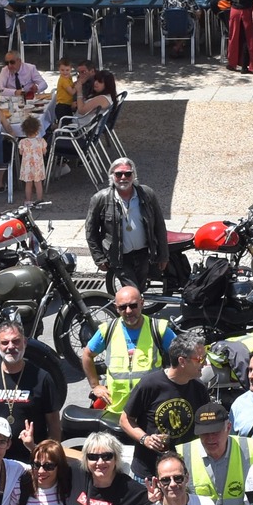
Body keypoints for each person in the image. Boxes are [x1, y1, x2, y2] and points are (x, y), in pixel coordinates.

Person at [118, 333, 209, 479]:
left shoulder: (199, 388)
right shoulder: (150, 385)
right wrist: (145, 439)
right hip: (149, 473)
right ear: (182, 361)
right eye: (200, 359)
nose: (205, 364)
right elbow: (125, 420)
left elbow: (205, 425)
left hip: (183, 473)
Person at [0, 323, 62, 464]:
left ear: (24, 342)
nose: (11, 346)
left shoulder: (42, 377)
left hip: (32, 460)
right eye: (5, 342)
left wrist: (50, 458)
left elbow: (54, 424)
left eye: (16, 341)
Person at [82, 285, 177, 419]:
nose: (128, 311)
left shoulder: (158, 329)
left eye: (133, 306)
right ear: (116, 308)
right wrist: (95, 386)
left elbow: (182, 356)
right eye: (122, 307)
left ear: (142, 303)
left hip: (150, 411)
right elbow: (87, 355)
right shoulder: (107, 330)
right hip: (117, 411)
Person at [180, 402, 253, 505]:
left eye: (215, 432)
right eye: (204, 433)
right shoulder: (182, 453)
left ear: (228, 428)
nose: (210, 438)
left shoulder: (251, 448)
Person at [84, 157, 170, 290]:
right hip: (118, 257)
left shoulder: (147, 194)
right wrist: (99, 258)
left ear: (134, 175)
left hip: (143, 254)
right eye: (119, 174)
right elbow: (91, 231)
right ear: (112, 176)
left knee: (139, 290)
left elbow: (159, 225)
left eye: (128, 174)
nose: (123, 177)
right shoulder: (100, 199)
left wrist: (163, 255)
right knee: (133, 291)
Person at [17, 115, 47, 203]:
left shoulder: (22, 142)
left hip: (27, 167)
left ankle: (28, 200)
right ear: (37, 130)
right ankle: (39, 200)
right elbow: (44, 151)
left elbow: (20, 152)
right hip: (38, 166)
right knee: (38, 183)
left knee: (28, 184)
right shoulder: (41, 141)